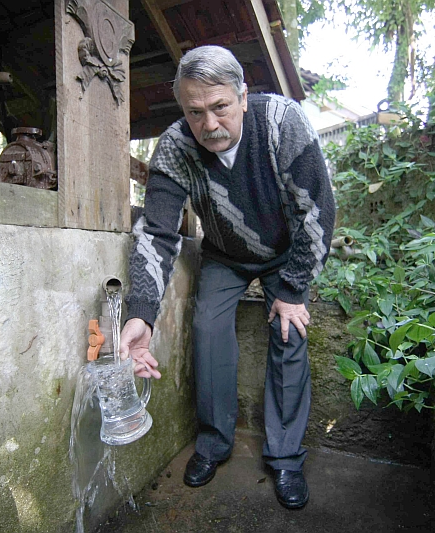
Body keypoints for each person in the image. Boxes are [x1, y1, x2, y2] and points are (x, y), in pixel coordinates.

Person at [119, 45, 335, 510]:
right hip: (224, 254)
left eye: (220, 107)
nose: (210, 124)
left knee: (289, 331)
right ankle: (214, 444)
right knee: (207, 328)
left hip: (285, 253)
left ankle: (285, 457)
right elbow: (156, 233)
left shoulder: (282, 122)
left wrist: (293, 288)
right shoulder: (176, 146)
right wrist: (142, 314)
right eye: (195, 112)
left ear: (243, 96)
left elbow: (317, 209)